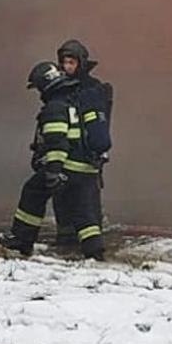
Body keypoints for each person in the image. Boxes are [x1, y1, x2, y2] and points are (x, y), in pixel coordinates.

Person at [0, 60, 110, 259]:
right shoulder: (75, 101)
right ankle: (95, 251)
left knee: (33, 191)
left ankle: (22, 239)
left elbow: (57, 141)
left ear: (45, 85)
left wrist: (54, 171)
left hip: (67, 166)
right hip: (87, 168)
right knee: (83, 211)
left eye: (39, 87)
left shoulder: (55, 107)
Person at [52, 39, 114, 250]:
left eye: (71, 62)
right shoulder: (58, 88)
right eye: (64, 62)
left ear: (81, 63)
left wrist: (99, 153)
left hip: (85, 160)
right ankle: (65, 247)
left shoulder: (93, 89)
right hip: (63, 159)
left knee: (88, 210)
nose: (67, 67)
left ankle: (93, 251)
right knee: (62, 205)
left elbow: (99, 126)